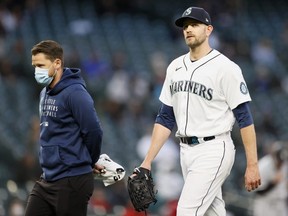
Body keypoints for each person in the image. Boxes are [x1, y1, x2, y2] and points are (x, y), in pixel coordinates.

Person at [136, 6, 261, 216]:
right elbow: (165, 118)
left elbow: (245, 118)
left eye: (195, 24)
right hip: (185, 152)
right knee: (213, 212)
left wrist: (252, 164)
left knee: (186, 211)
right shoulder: (175, 67)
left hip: (214, 149)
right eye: (185, 26)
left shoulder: (226, 68)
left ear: (209, 29)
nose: (188, 29)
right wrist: (147, 161)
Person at [25, 40, 104, 216]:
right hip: (48, 178)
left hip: (72, 180)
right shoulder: (44, 93)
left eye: (41, 65)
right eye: (34, 66)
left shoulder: (76, 93)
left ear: (57, 63)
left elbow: (94, 131)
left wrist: (88, 161)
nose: (37, 71)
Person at [253, 141, 288, 216]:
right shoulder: (262, 166)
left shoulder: (284, 165)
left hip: (280, 204)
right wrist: (272, 183)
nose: (281, 163)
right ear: (273, 156)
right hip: (265, 204)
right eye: (279, 160)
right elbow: (257, 191)